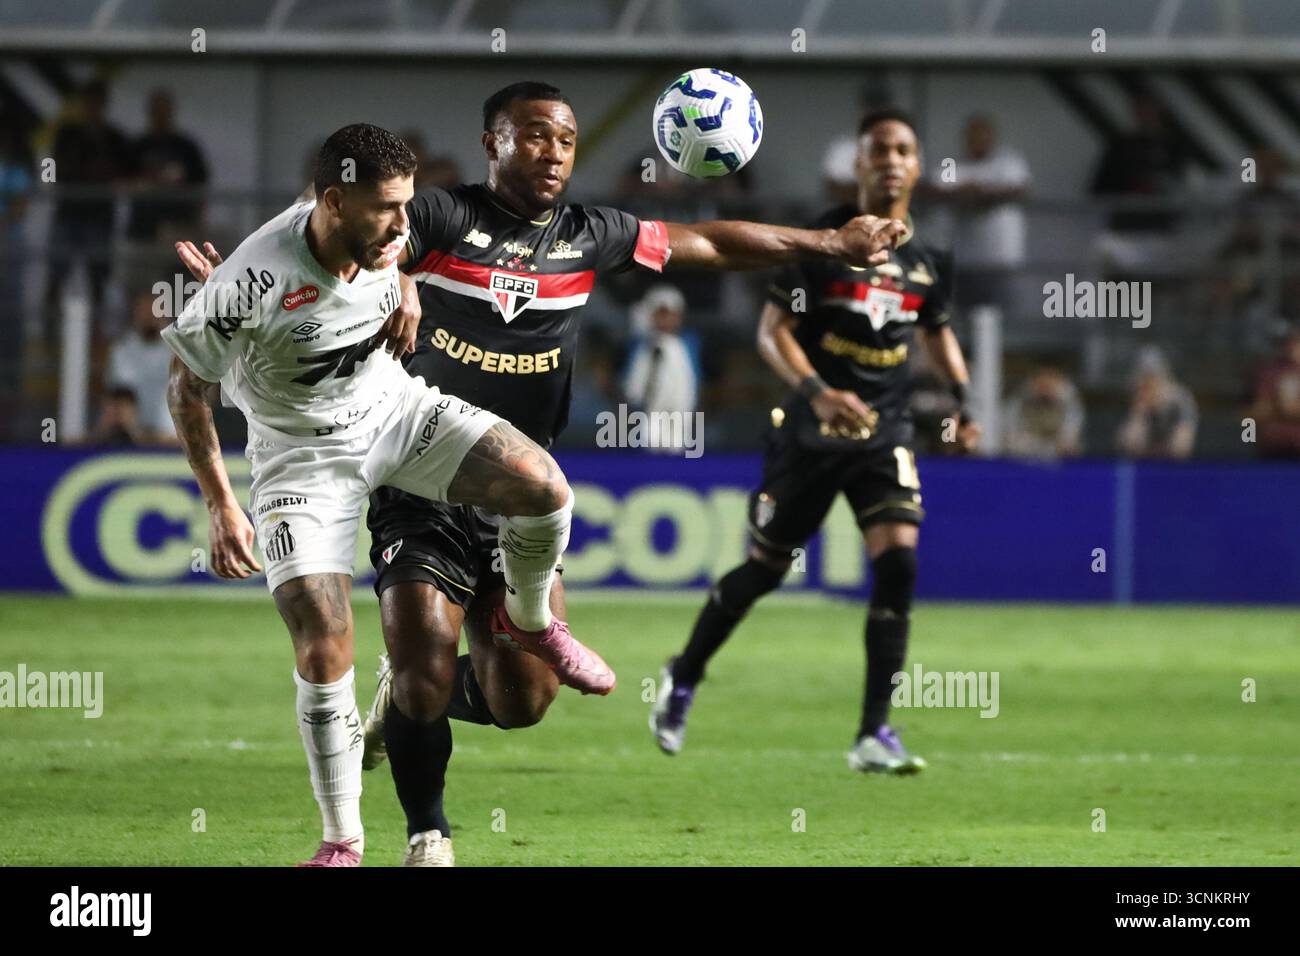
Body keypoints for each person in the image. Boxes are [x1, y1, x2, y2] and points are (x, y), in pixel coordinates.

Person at [175, 85, 908, 865]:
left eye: (564, 138)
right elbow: (341, 217)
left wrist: (830, 244)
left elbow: (709, 242)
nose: (552, 151)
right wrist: (272, 285)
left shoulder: (590, 236)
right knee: (414, 659)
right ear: (492, 143)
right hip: (415, 473)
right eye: (532, 136)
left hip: (501, 481)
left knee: (521, 699)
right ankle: (427, 833)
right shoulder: (437, 216)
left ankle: (447, 677)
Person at [164, 122, 631, 867]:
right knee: (323, 641)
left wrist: (405, 281)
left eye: (406, 203)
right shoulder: (250, 282)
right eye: (385, 207)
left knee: (543, 488)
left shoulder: (381, 238)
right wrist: (222, 504)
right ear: (332, 202)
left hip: (394, 413)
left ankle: (534, 622)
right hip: (300, 461)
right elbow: (188, 393)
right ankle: (342, 842)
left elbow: (388, 261)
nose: (402, 223)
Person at [651, 108, 979, 774]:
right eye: (878, 149)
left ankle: (872, 734)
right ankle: (683, 674)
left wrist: (965, 403)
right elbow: (772, 332)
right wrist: (819, 394)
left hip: (885, 433)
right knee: (763, 572)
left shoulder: (928, 260)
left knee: (899, 565)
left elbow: (937, 329)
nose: (890, 159)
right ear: (857, 165)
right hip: (809, 434)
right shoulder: (824, 244)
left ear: (917, 167)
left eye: (903, 149)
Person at [926, 114, 1030, 319]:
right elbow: (936, 190)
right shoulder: (952, 165)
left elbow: (1020, 189)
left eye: (983, 135)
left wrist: (982, 195)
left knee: (1000, 320)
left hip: (1000, 260)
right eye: (974, 135)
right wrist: (962, 194)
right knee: (958, 318)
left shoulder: (1008, 162)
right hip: (962, 261)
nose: (979, 140)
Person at [622, 284, 700, 449]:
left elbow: (694, 383)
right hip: (648, 414)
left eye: (670, 315)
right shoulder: (641, 346)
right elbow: (632, 387)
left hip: (681, 416)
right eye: (660, 314)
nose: (665, 320)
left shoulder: (688, 344)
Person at [105, 288, 178, 445]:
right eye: (144, 311)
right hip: (133, 439)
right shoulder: (122, 351)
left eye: (154, 310)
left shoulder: (180, 350)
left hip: (174, 438)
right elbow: (120, 398)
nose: (149, 317)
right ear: (135, 313)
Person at [1116, 348, 1196, 459]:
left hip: (1172, 469)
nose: (1150, 385)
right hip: (1142, 466)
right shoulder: (1136, 398)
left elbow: (1181, 449)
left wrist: (1164, 409)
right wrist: (1139, 413)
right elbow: (1128, 446)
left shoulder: (1180, 400)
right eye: (1144, 379)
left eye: (1154, 378)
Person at [1002, 367, 1085, 461]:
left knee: (1069, 446)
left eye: (1049, 385)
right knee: (1015, 444)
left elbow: (1073, 422)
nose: (1045, 388)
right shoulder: (1022, 395)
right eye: (1042, 384)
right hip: (1029, 443)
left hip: (1056, 444)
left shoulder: (1067, 395)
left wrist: (1067, 440)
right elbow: (1011, 422)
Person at [1249, 327, 1300, 459]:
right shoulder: (1270, 371)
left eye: (1297, 342)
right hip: (1273, 446)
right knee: (1248, 431)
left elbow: (1285, 408)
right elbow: (1257, 411)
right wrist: (1283, 408)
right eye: (1290, 342)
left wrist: (1283, 408)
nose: (1294, 346)